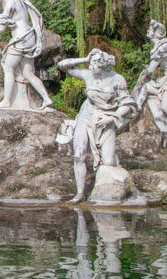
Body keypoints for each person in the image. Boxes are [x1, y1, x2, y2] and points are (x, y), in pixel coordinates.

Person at [57, 49, 138, 202]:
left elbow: (128, 103)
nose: (91, 66)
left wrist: (113, 117)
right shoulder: (88, 74)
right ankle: (80, 193)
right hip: (85, 116)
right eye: (91, 62)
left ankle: (113, 163)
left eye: (94, 63)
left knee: (108, 162)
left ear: (103, 65)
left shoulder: (117, 80)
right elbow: (62, 65)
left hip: (105, 118)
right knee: (78, 155)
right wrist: (85, 58)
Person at [0, 0, 53, 111]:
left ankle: (7, 101)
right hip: (29, 37)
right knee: (27, 73)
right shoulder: (17, 0)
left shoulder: (10, 2)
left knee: (8, 66)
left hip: (21, 38)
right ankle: (46, 98)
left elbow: (1, 29)